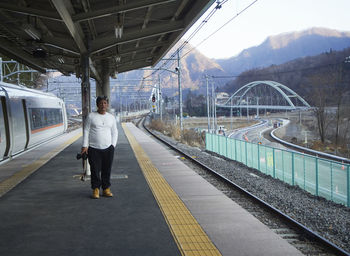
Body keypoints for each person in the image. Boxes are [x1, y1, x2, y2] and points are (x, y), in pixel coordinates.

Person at [81, 96, 118, 199]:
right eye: (101, 103)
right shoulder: (91, 116)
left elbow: (115, 132)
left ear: (107, 105)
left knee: (107, 169)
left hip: (108, 148)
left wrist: (113, 145)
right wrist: (85, 146)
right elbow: (86, 130)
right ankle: (96, 189)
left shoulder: (111, 117)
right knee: (95, 170)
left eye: (105, 103)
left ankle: (106, 189)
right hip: (93, 148)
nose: (103, 105)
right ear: (97, 104)